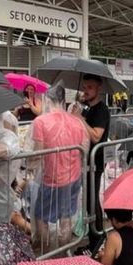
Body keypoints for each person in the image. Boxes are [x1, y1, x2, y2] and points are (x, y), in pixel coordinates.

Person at [31, 83, 89, 251]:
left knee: (41, 215)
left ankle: (46, 248)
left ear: (47, 99)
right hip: (73, 177)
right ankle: (64, 250)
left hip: (52, 178)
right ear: (64, 100)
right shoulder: (77, 122)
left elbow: (37, 153)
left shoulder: (41, 122)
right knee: (66, 216)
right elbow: (84, 150)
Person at [74, 75, 110, 249]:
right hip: (85, 160)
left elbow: (96, 135)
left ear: (98, 89)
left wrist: (80, 119)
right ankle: (94, 237)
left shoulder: (102, 110)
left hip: (96, 161)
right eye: (84, 87)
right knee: (89, 201)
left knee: (92, 200)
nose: (85, 91)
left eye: (89, 87)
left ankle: (98, 238)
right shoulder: (87, 108)